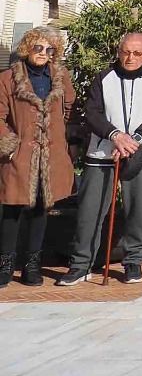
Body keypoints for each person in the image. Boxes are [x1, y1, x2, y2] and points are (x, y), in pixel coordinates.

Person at [58, 31, 142, 286]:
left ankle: (133, 261)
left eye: (136, 53)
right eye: (125, 52)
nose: (129, 57)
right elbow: (93, 112)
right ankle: (81, 264)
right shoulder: (104, 77)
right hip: (103, 151)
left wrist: (134, 141)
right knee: (90, 210)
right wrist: (115, 136)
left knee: (138, 210)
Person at [0, 28, 73, 287]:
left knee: (41, 209)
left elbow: (67, 109)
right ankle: (6, 263)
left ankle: (32, 265)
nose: (43, 53)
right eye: (38, 48)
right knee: (12, 209)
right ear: (28, 48)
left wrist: (57, 138)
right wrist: (9, 143)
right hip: (18, 156)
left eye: (49, 49)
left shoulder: (61, 78)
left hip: (50, 156)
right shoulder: (9, 78)